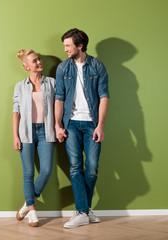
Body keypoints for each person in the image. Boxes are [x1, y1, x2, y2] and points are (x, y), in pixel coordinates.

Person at [54, 28, 110, 228]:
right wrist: (57, 125)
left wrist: (100, 126)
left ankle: (83, 211)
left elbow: (104, 97)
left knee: (92, 168)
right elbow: (59, 98)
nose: (65, 49)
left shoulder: (97, 67)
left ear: (80, 45)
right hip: (71, 124)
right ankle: (83, 211)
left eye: (68, 45)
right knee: (76, 167)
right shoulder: (63, 68)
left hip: (92, 124)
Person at [13, 49, 56, 227]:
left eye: (39, 59)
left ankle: (28, 201)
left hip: (46, 131)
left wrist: (59, 126)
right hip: (26, 132)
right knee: (28, 173)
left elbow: (59, 106)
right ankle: (32, 211)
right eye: (34, 61)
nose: (39, 62)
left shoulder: (52, 83)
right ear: (26, 66)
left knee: (46, 170)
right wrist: (15, 135)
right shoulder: (20, 86)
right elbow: (16, 112)